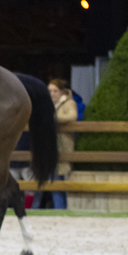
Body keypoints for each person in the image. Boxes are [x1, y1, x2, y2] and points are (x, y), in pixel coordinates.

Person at [48, 79, 78, 209]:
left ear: (61, 92)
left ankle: (68, 209)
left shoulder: (68, 103)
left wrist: (54, 119)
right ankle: (58, 210)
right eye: (50, 91)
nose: (52, 94)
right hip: (51, 147)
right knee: (54, 183)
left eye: (55, 91)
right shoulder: (47, 105)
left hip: (64, 146)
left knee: (65, 180)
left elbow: (72, 116)